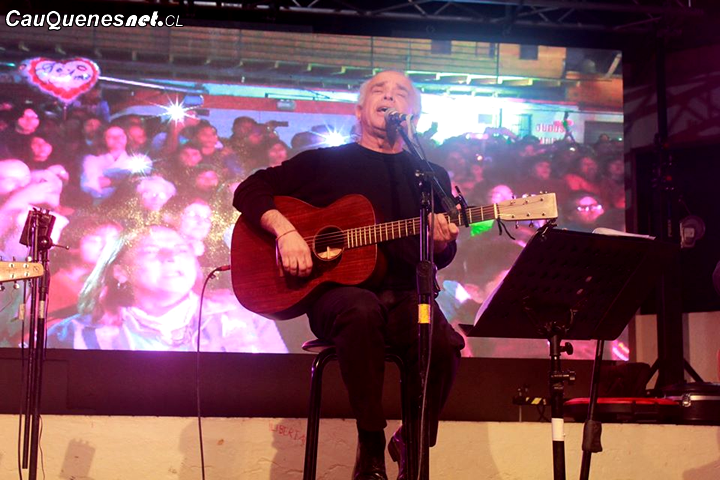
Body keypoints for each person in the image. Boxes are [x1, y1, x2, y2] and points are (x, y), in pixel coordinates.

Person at [233, 70, 464, 480]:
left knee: (444, 343)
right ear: (359, 110)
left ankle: (413, 439)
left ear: (414, 114)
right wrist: (285, 232)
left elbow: (439, 257)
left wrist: (441, 244)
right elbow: (249, 190)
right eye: (379, 90)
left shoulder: (430, 177)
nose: (389, 97)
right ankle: (371, 442)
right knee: (360, 309)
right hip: (337, 297)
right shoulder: (325, 163)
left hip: (406, 296)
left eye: (401, 92)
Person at [47, 224, 287, 353]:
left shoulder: (243, 315)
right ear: (120, 271)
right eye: (151, 251)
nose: (171, 256)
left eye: (181, 249)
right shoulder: (73, 333)